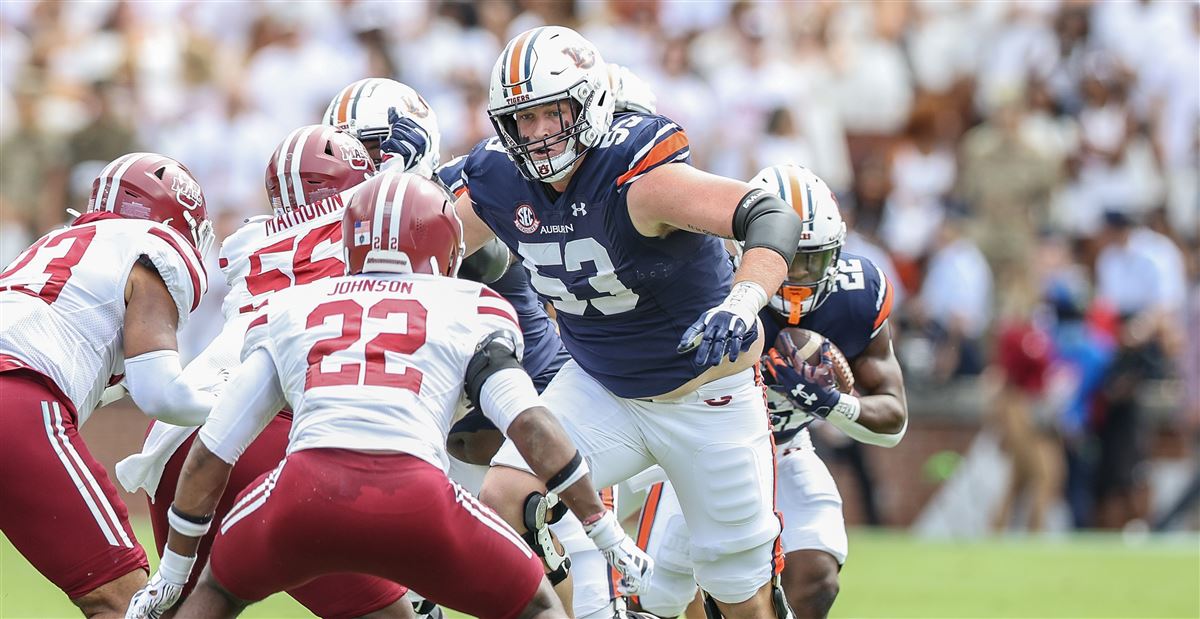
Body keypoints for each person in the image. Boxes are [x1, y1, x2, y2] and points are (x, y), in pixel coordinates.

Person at [124, 172, 650, 619]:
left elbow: (213, 450)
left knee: (214, 590)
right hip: (417, 494)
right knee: (537, 605)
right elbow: (530, 424)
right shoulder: (471, 303)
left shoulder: (295, 306)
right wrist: (604, 531)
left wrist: (173, 573)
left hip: (305, 494)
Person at [441, 25, 803, 618]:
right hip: (599, 387)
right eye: (521, 120)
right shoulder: (500, 183)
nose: (535, 135)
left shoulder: (640, 178)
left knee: (740, 598)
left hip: (705, 397)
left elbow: (769, 216)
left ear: (589, 102)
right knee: (505, 499)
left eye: (550, 113)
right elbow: (429, 246)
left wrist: (744, 299)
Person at [115, 126, 417, 618]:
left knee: (192, 609)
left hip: (178, 440)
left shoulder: (252, 242)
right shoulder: (374, 218)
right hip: (259, 428)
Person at [630, 165, 908, 618]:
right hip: (696, 446)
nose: (795, 275)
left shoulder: (858, 294)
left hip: (785, 445)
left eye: (810, 260)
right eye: (785, 257)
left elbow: (893, 418)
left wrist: (826, 400)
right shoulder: (701, 287)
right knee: (657, 598)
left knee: (817, 574)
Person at [0, 152, 214, 618]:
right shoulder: (153, 248)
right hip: (13, 395)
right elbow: (158, 393)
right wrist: (243, 405)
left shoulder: (53, 244)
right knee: (125, 599)